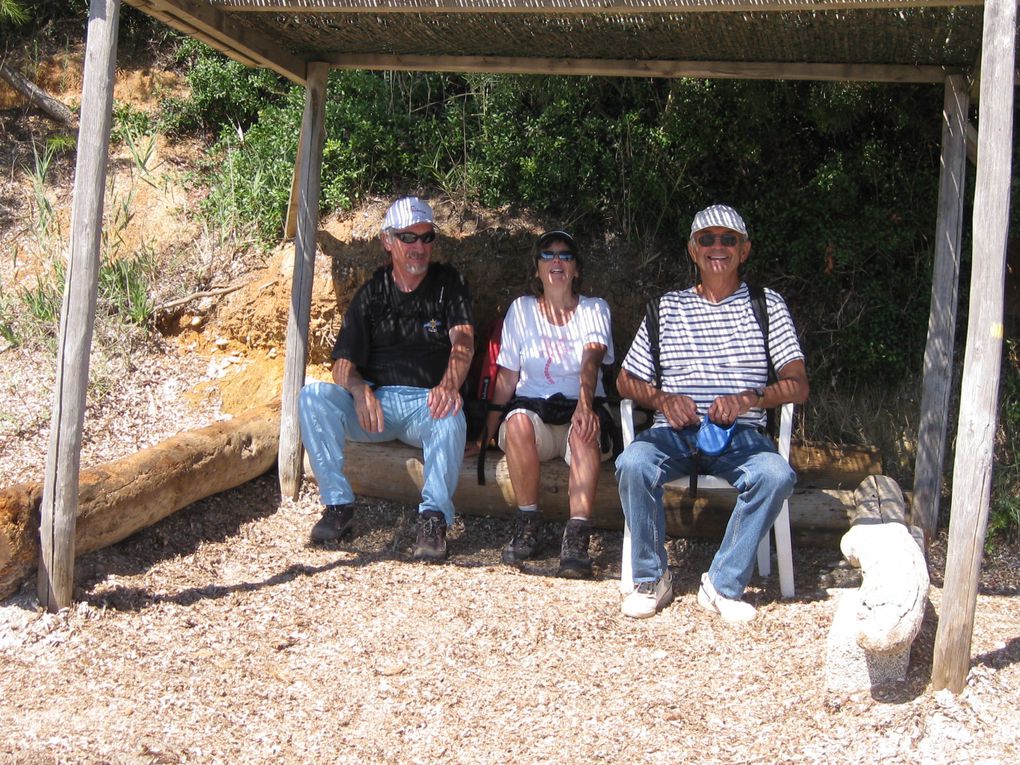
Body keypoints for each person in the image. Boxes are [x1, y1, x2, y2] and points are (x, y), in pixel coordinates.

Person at [615, 204, 809, 622]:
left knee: (775, 475)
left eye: (728, 240)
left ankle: (721, 584)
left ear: (745, 250)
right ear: (692, 249)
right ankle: (651, 579)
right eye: (707, 239)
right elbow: (625, 381)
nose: (717, 247)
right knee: (633, 462)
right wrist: (664, 399)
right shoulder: (665, 308)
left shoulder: (767, 305)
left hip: (740, 435)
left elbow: (798, 384)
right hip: (673, 432)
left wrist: (748, 398)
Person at [299, 196, 474, 562]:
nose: (419, 247)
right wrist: (359, 389)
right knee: (312, 397)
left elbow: (463, 341)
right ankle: (338, 505)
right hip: (375, 406)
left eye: (427, 238)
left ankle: (433, 519)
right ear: (387, 241)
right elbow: (342, 363)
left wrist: (449, 384)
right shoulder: (373, 293)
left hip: (424, 405)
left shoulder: (447, 284)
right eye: (408, 237)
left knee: (451, 413)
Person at [473, 230, 615, 578]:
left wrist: (585, 405)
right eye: (547, 255)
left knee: (584, 430)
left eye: (565, 256)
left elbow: (591, 360)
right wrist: (485, 436)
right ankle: (527, 523)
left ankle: (578, 536)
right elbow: (506, 378)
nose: (556, 262)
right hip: (533, 413)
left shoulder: (595, 309)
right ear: (536, 269)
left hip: (578, 410)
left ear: (576, 269)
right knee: (518, 421)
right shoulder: (520, 310)